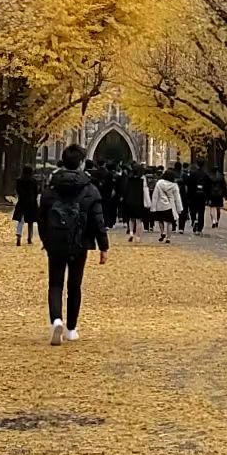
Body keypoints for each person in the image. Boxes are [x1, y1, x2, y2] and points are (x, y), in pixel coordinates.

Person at [38, 145, 109, 345]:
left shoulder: (51, 188)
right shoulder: (90, 189)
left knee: (55, 283)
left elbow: (42, 217)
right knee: (74, 286)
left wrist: (46, 240)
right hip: (80, 242)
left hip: (56, 242)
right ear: (81, 163)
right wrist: (103, 246)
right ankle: (70, 329)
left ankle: (56, 320)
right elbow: (98, 220)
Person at [149, 167, 183, 244]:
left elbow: (155, 195)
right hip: (170, 206)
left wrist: (153, 207)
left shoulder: (159, 183)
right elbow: (177, 198)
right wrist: (179, 208)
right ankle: (168, 238)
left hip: (160, 205)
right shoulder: (174, 185)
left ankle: (162, 232)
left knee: (160, 220)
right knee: (170, 222)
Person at [12, 164, 40, 247]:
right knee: (30, 221)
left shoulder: (19, 180)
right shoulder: (33, 181)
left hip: (22, 202)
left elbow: (17, 190)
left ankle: (19, 236)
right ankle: (29, 238)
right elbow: (36, 192)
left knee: (21, 220)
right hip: (31, 202)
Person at [119, 168, 148, 239]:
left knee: (131, 219)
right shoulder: (142, 181)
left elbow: (126, 191)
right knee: (138, 220)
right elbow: (145, 192)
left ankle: (131, 232)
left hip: (129, 201)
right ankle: (138, 236)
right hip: (139, 201)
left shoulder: (129, 180)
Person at [181, 162, 207, 235]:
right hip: (202, 196)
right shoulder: (205, 175)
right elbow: (208, 186)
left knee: (193, 210)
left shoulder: (193, 174)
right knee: (201, 212)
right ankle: (199, 228)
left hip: (193, 196)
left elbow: (189, 185)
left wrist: (188, 196)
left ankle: (194, 220)